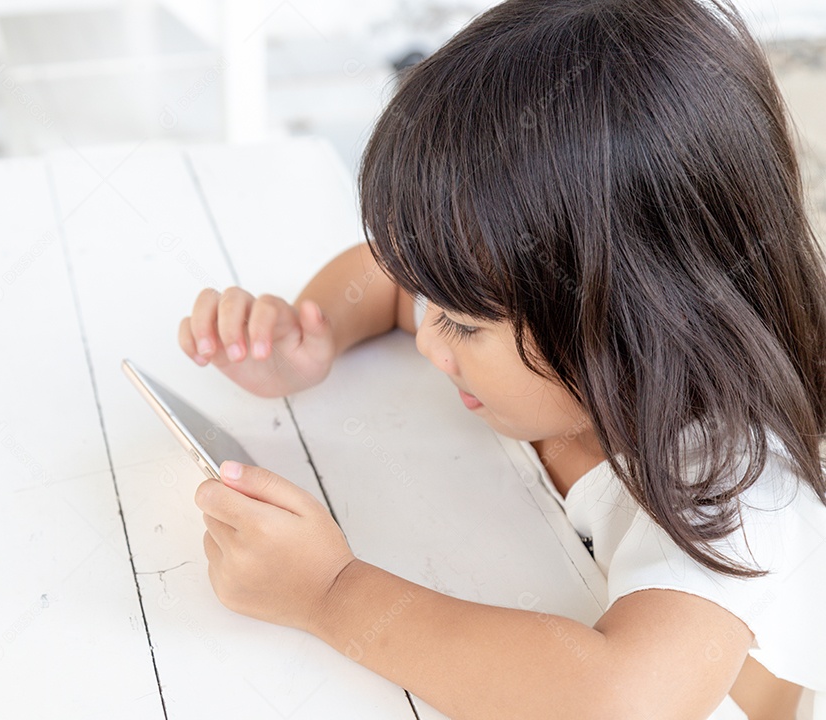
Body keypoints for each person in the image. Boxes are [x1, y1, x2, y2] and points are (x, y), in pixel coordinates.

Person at [178, 0, 826, 717]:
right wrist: (314, 335)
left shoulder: (737, 479)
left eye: (457, 324)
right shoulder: (554, 327)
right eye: (434, 305)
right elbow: (392, 277)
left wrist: (330, 594)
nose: (425, 336)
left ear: (626, 330)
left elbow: (618, 701)